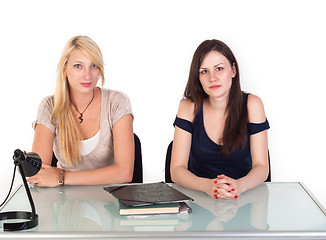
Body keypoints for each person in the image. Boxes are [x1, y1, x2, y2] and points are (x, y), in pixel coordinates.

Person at [28, 36, 134, 187]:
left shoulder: (116, 102)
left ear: (100, 71)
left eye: (94, 66)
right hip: (65, 202)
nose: (87, 75)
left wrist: (61, 178)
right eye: (78, 66)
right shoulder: (49, 106)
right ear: (65, 69)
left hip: (108, 200)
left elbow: (124, 173)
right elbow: (38, 174)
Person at [170, 39, 270, 199]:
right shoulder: (188, 106)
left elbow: (262, 167)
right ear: (197, 76)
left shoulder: (253, 104)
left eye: (219, 69)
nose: (212, 78)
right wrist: (207, 186)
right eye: (204, 71)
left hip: (245, 197)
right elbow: (176, 170)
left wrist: (238, 186)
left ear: (233, 70)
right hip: (199, 197)